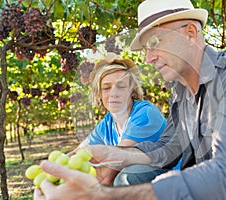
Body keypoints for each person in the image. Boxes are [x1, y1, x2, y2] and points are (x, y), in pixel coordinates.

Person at [34, 0, 226, 199]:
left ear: (191, 33)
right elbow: (168, 150)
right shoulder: (181, 93)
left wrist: (103, 196)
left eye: (155, 42)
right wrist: (116, 155)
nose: (148, 58)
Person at [70, 52, 167, 185]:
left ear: (132, 91)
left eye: (121, 86)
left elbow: (111, 170)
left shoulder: (145, 113)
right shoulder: (106, 124)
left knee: (127, 177)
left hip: (171, 177)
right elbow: (78, 152)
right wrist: (57, 165)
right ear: (99, 94)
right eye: (106, 88)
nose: (113, 93)